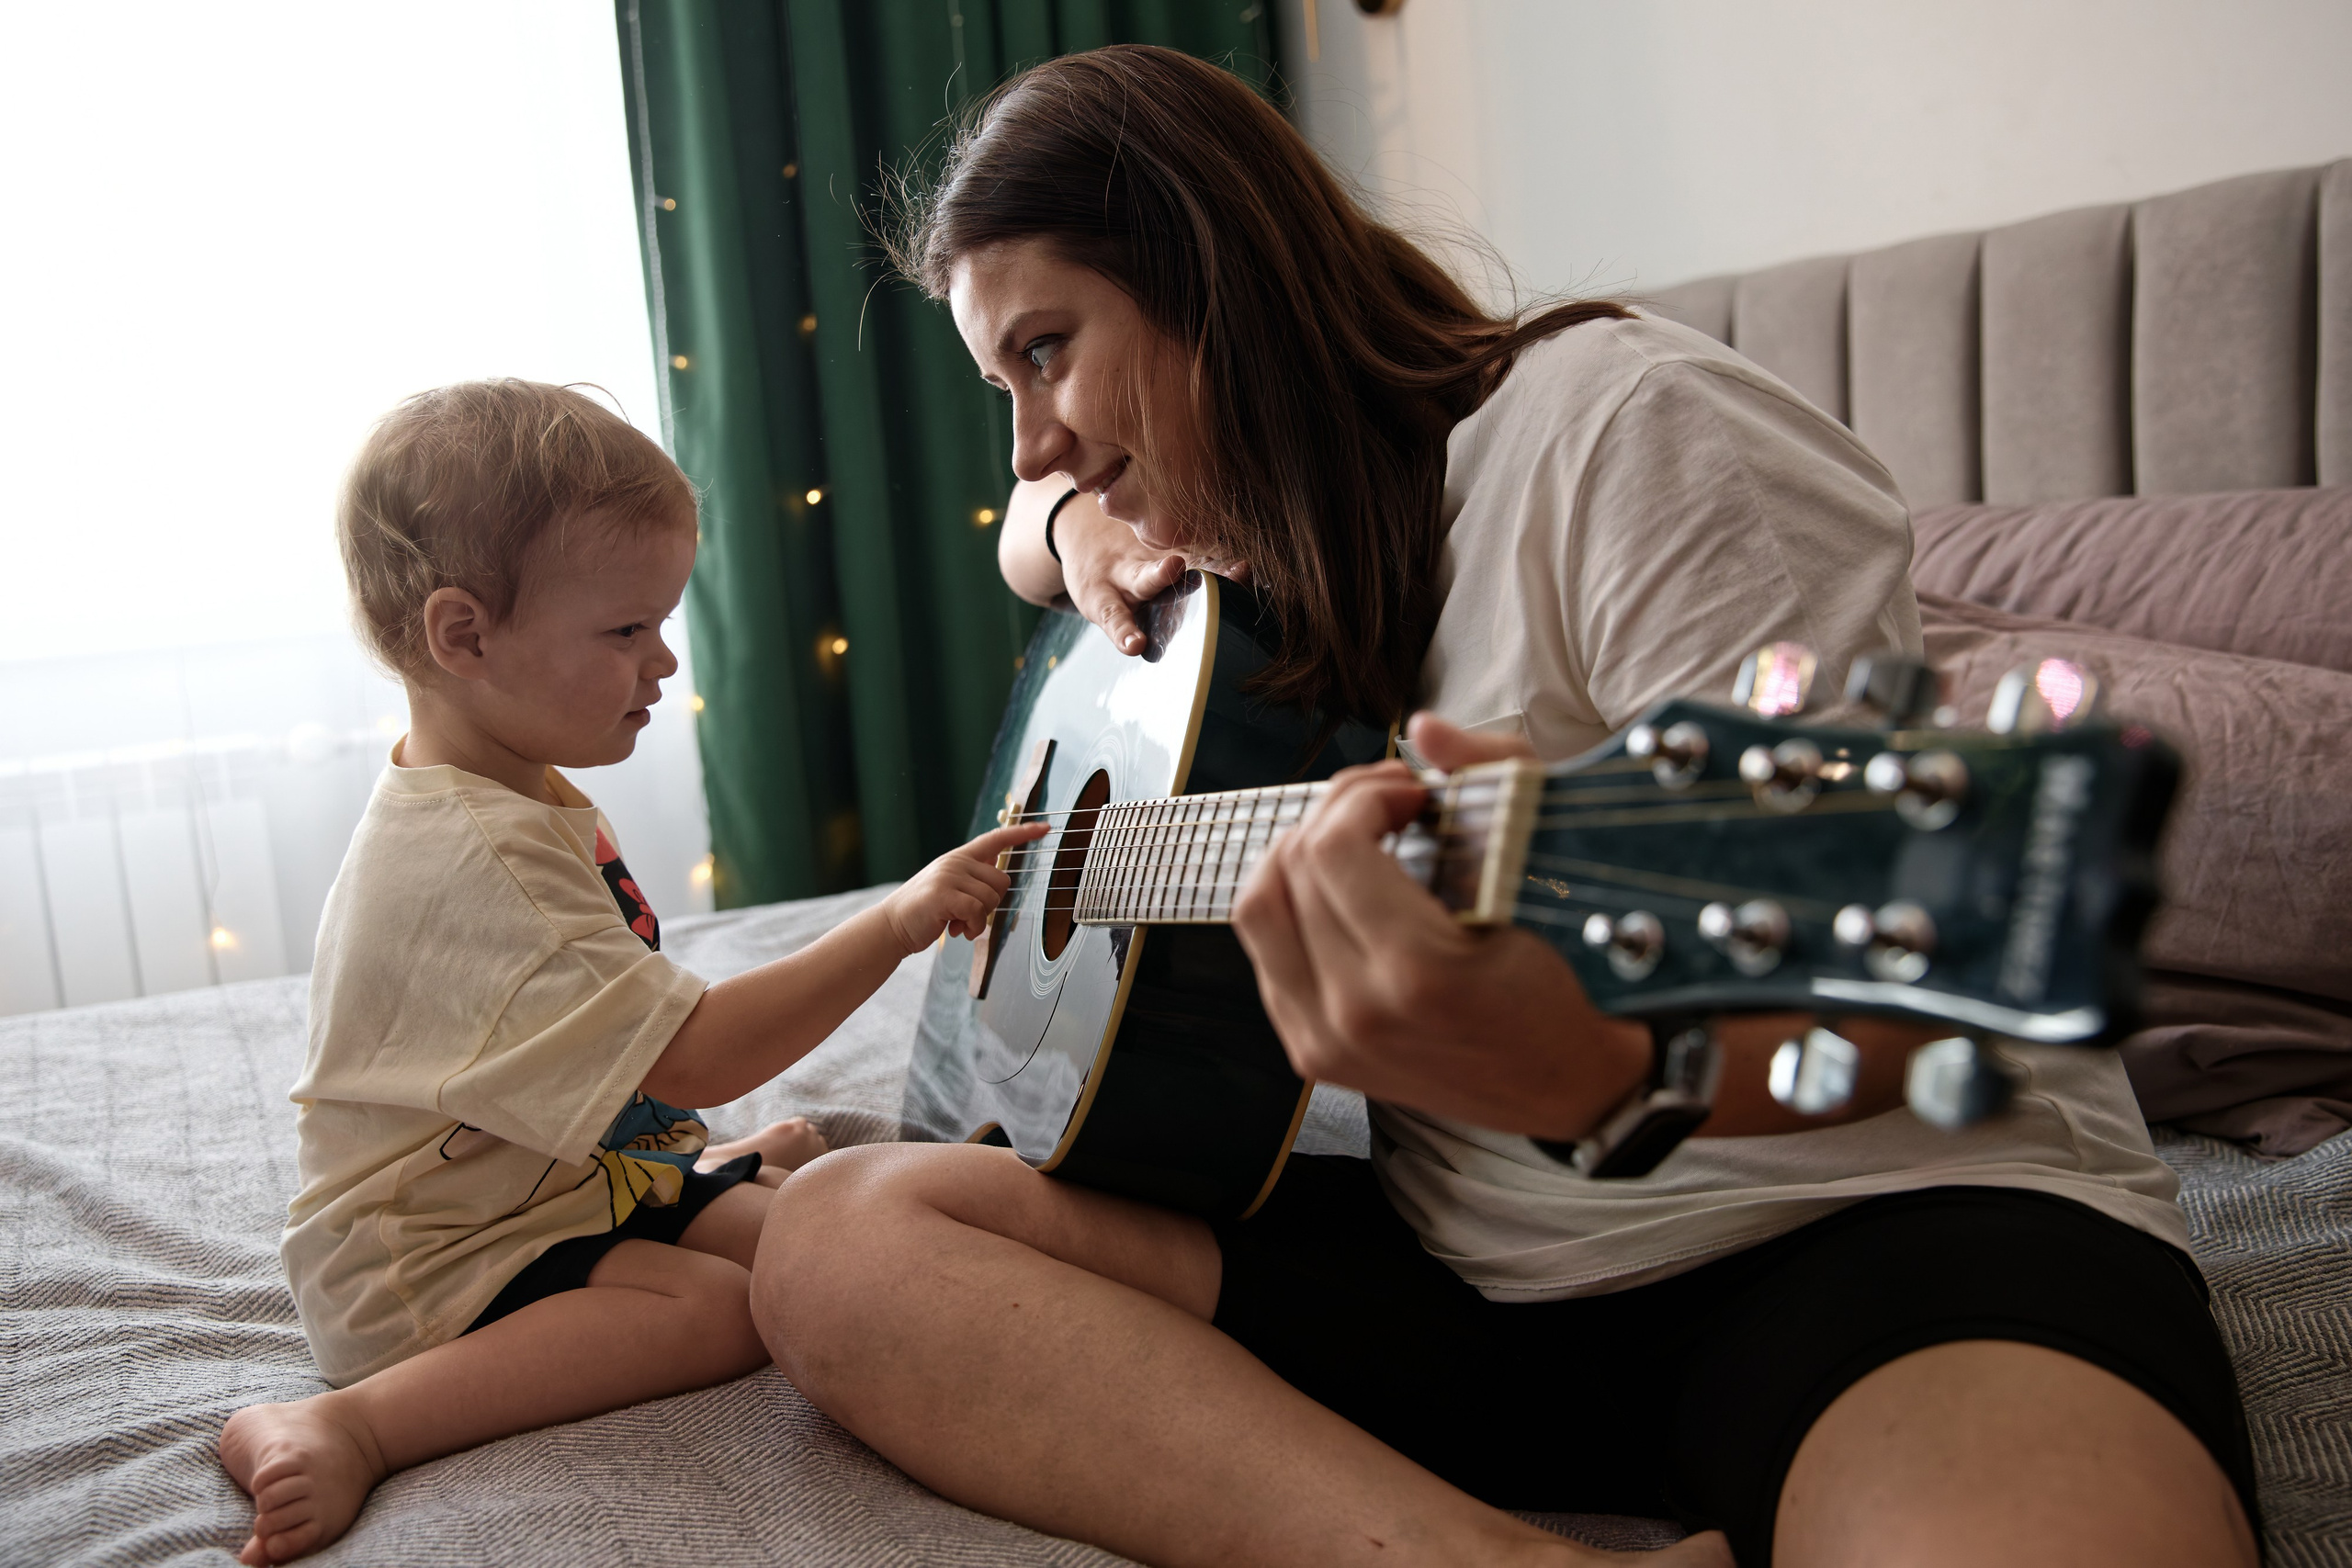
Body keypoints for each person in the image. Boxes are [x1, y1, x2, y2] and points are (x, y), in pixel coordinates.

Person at [747, 46, 2260, 1568]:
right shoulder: (1268, 540)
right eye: (1001, 385)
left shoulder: (1629, 430)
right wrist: (1074, 516)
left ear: (1211, 269)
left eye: (1047, 355)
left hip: (1865, 1228)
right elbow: (1021, 529)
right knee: (837, 1244)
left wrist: (1597, 1071)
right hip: (1474, 1273)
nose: (1025, 439)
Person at [216, 380, 1045, 1565]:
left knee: (818, 1241)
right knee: (724, 1311)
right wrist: (896, 922)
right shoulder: (476, 859)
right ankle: (348, 1421)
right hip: (431, 1258)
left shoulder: (504, 782)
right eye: (624, 632)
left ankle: (702, 1175)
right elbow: (699, 1047)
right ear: (464, 635)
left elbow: (598, 1040)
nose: (663, 661)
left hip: (556, 1185)